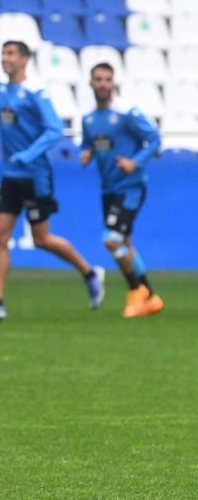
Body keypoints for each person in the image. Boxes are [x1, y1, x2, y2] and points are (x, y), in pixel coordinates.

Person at [0, 41, 104, 321]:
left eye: (10, 54)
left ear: (24, 60)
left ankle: (90, 272)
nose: (4, 58)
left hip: (35, 175)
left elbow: (55, 129)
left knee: (41, 239)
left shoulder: (36, 92)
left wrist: (29, 154)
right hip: (11, 176)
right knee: (0, 235)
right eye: (3, 53)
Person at [80, 63, 164, 318]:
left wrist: (134, 162)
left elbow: (155, 139)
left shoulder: (127, 112)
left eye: (107, 79)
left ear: (113, 83)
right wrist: (88, 154)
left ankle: (135, 291)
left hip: (131, 187)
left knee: (111, 239)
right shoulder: (89, 120)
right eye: (98, 79)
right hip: (108, 189)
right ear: (90, 83)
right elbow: (91, 144)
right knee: (125, 243)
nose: (103, 84)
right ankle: (150, 296)